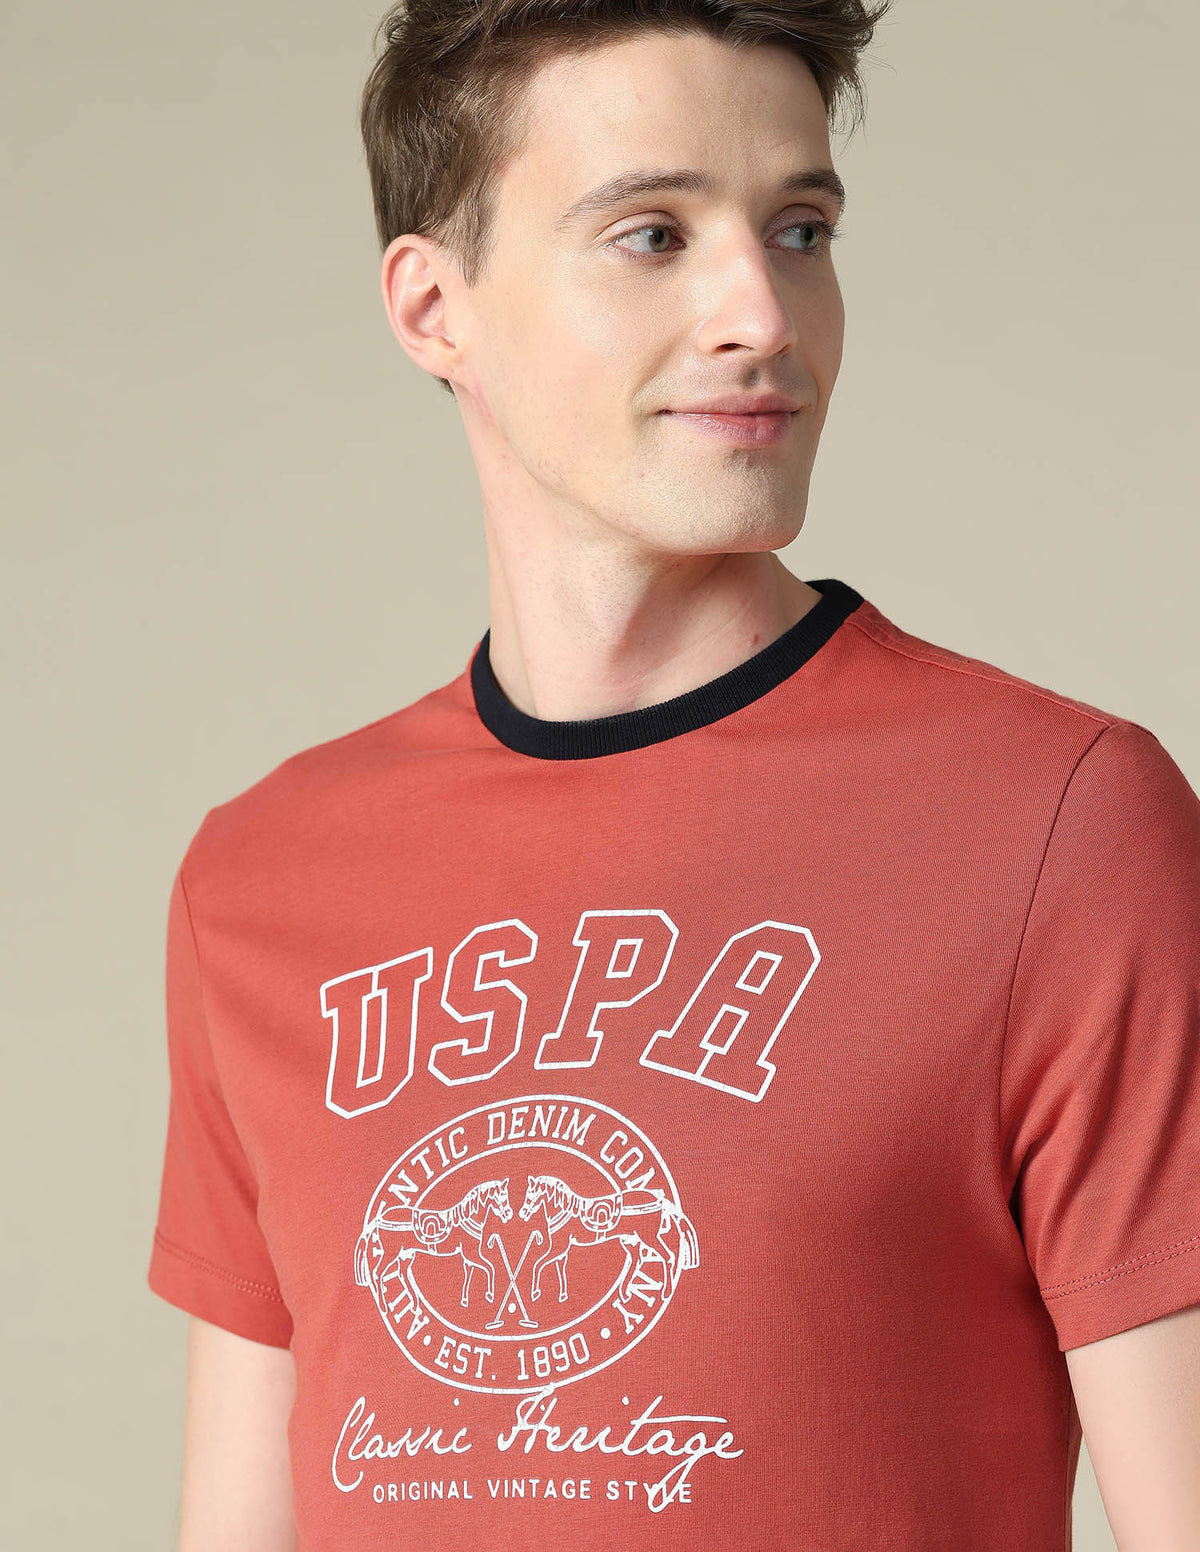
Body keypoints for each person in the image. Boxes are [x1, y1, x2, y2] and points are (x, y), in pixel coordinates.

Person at [147, 2, 1200, 1548]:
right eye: (652, 235)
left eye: (799, 231)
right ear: (435, 307)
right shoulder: (259, 878)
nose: (762, 314)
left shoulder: (1062, 822)